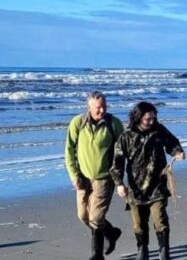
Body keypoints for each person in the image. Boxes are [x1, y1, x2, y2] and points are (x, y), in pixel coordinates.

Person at [111, 101, 185, 260]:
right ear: (138, 118)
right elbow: (117, 161)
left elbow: (172, 143)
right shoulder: (126, 136)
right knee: (139, 224)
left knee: (160, 220)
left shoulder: (159, 130)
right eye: (148, 119)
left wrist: (177, 152)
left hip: (157, 185)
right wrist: (119, 184)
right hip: (135, 188)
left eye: (154, 118)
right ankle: (142, 250)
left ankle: (164, 251)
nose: (152, 121)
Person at [64, 91, 125, 260]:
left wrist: (120, 179)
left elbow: (123, 152)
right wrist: (73, 175)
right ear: (89, 107)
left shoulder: (114, 124)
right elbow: (69, 151)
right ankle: (111, 232)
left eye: (104, 106)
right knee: (83, 216)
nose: (102, 110)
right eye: (98, 107)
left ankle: (97, 255)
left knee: (96, 217)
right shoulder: (78, 123)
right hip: (82, 178)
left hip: (105, 178)